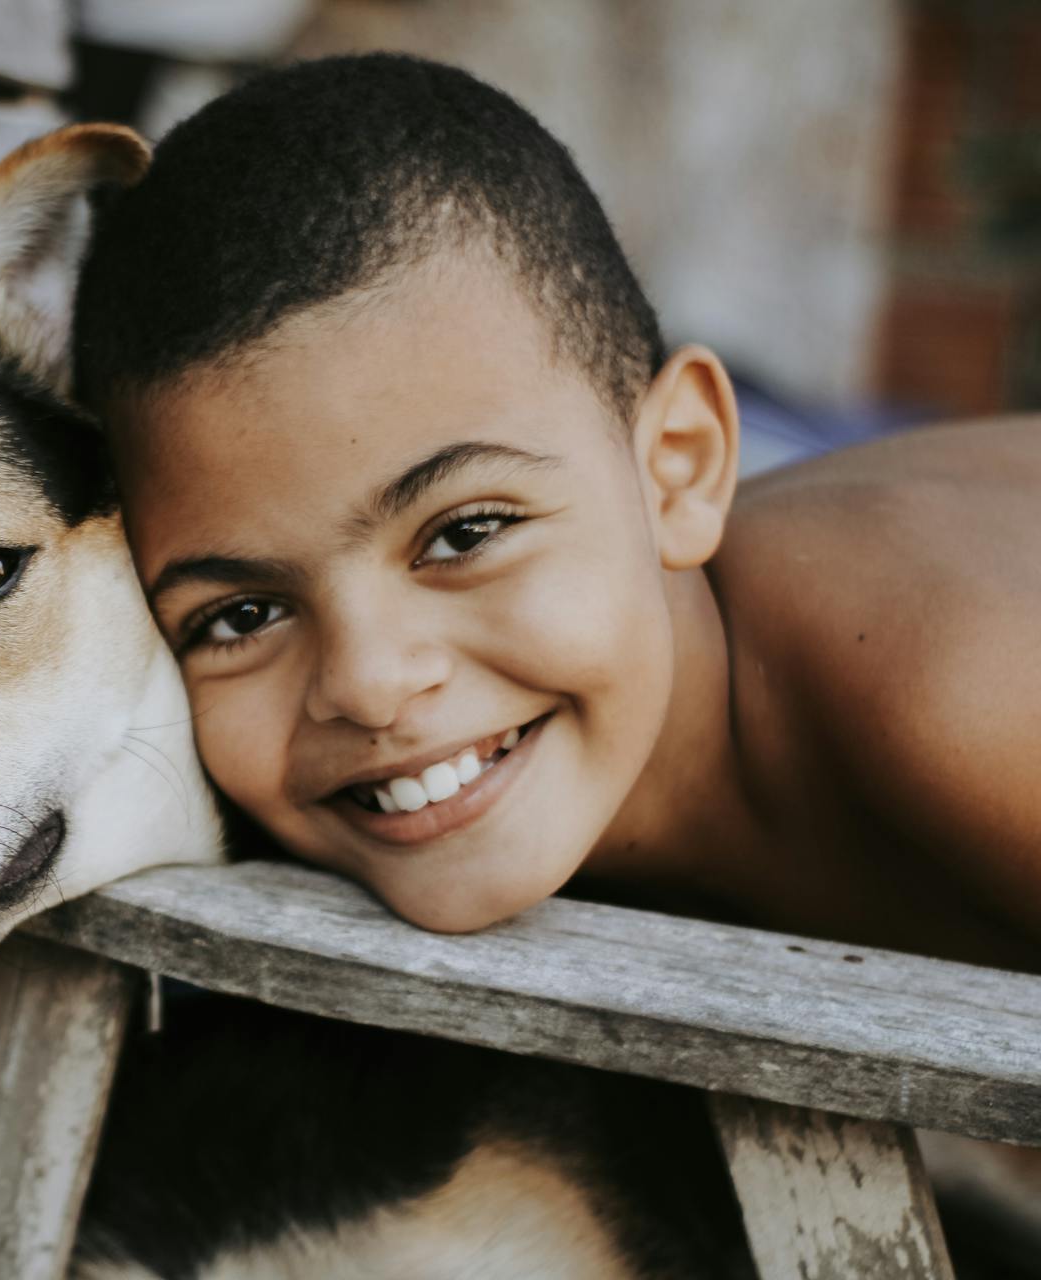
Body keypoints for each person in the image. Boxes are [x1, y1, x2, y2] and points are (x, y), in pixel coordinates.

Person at [71, 52, 1041, 972]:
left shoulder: (963, 695)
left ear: (678, 468)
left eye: (465, 533)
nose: (369, 683)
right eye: (242, 615)